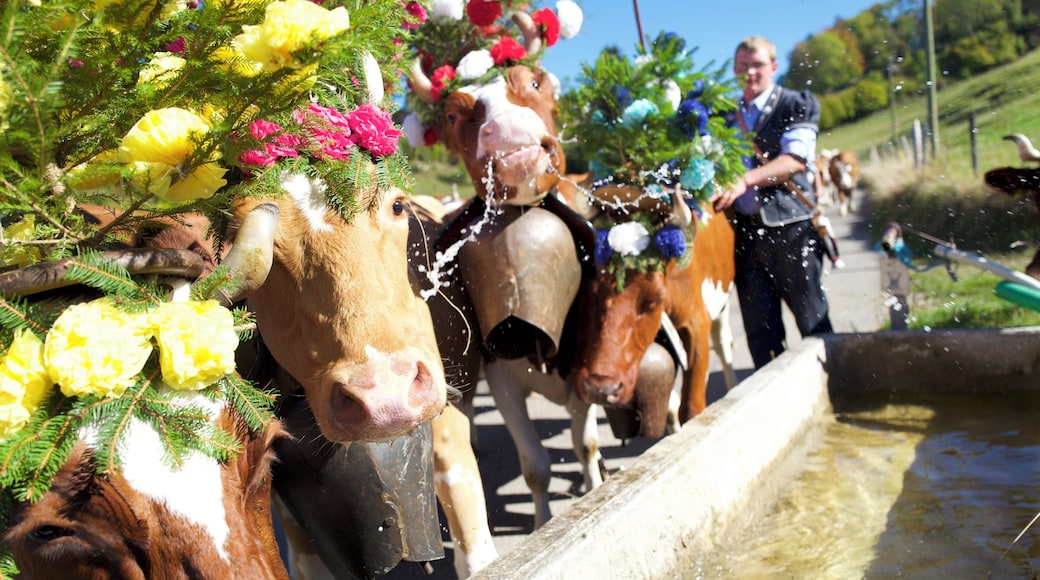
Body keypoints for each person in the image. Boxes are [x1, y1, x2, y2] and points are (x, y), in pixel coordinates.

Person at [709, 35, 834, 369]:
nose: (749, 72)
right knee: (760, 334)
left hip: (791, 228)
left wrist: (745, 180)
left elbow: (795, 160)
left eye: (757, 65)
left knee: (813, 321)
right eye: (742, 66)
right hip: (744, 236)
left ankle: (833, 386)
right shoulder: (723, 115)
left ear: (774, 67)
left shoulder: (794, 103)